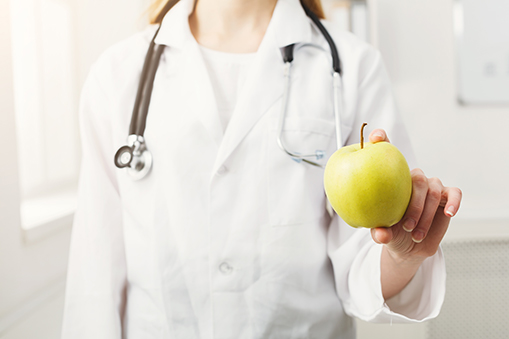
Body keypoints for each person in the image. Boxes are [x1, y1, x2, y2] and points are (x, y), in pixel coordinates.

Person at [62, 0, 462, 338]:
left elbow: (362, 269)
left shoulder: (354, 67)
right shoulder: (117, 75)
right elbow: (93, 282)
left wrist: (403, 253)